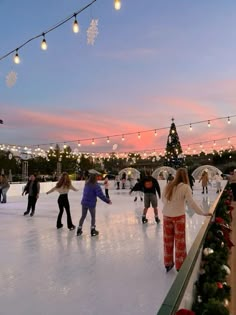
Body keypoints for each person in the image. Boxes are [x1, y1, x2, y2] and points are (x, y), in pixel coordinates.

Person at [162, 168, 211, 272]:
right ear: (186, 176)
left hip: (166, 216)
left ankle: (168, 263)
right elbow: (191, 203)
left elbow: (163, 199)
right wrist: (203, 213)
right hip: (178, 216)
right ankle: (180, 266)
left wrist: (170, 206)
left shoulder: (168, 185)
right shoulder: (185, 187)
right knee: (180, 241)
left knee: (167, 241)